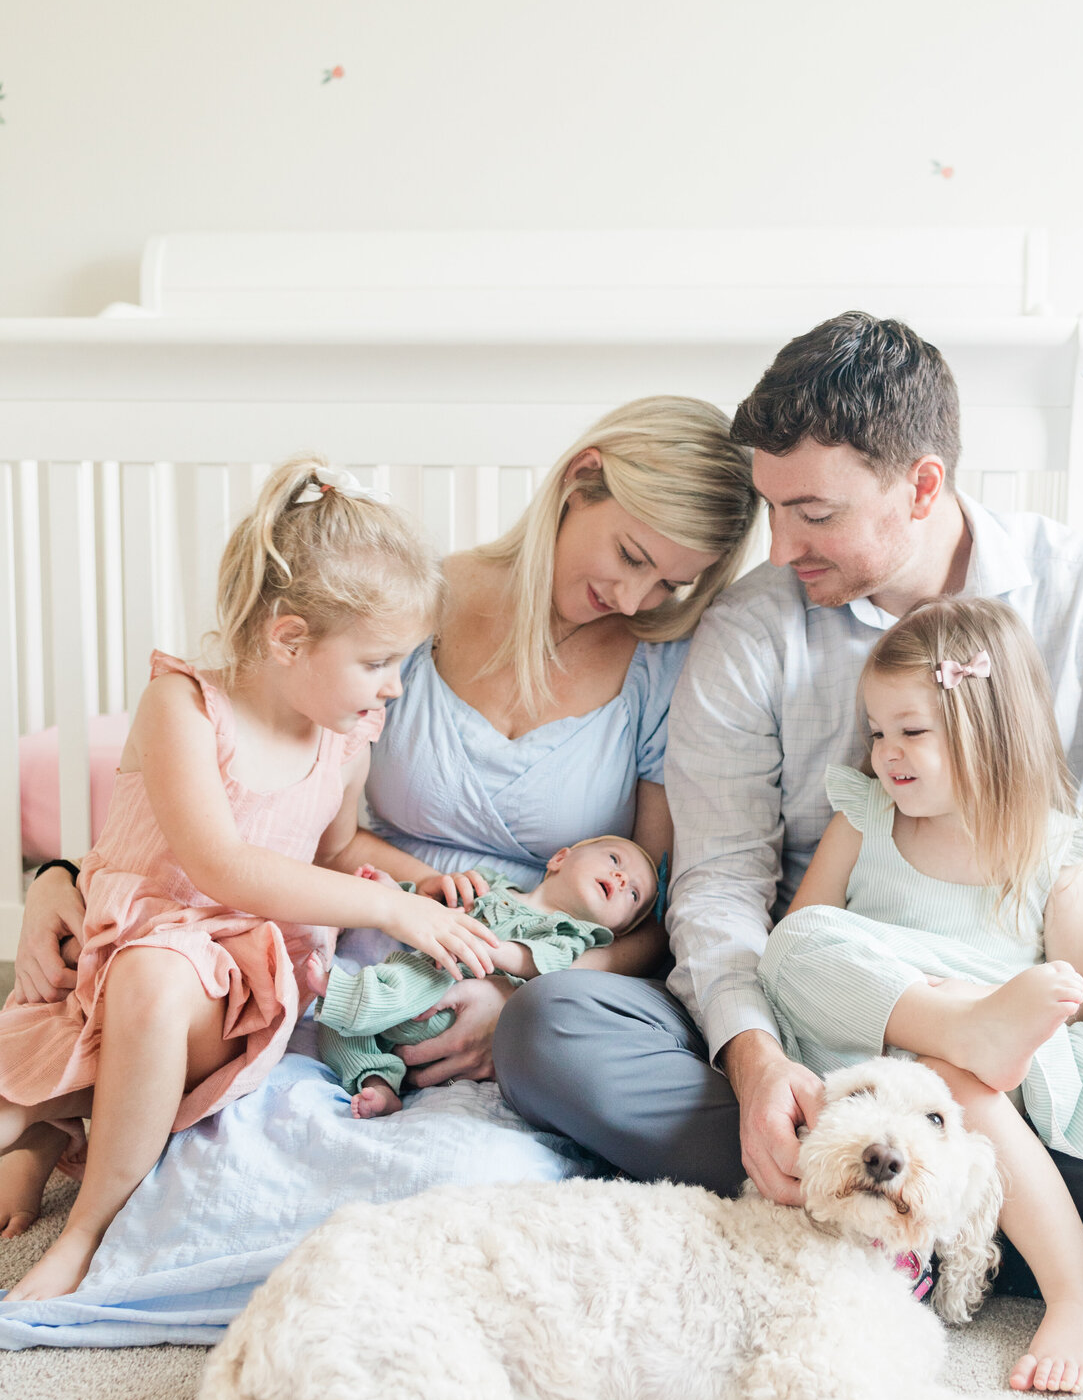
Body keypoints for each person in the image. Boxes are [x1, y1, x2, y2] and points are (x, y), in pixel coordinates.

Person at [495, 312, 1083, 1368]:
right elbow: (725, 881)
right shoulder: (752, 629)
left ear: (921, 487)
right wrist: (752, 1063)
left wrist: (994, 1030)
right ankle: (1040, 1233)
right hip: (810, 1029)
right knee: (550, 1031)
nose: (780, 548)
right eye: (772, 509)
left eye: (812, 513)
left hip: (999, 1040)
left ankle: (890, 1206)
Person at [5, 397, 758, 1332]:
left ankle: (58, 1125)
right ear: (581, 478)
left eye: (673, 586)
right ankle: (70, 1145)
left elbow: (650, 910)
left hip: (524, 986)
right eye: (634, 558)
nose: (640, 600)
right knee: (221, 1145)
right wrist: (63, 877)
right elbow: (243, 798)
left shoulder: (660, 668)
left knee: (473, 1198)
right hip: (340, 956)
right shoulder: (402, 608)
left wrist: (524, 996)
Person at [0, 459, 501, 1299]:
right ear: (288, 638)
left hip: (225, 983)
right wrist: (388, 908)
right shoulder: (185, 708)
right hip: (117, 949)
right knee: (116, 997)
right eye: (378, 660)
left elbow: (339, 849)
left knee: (158, 986)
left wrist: (427, 888)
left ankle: (88, 1224)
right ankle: (46, 1134)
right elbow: (220, 865)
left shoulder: (346, 737)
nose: (396, 685)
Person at [759, 596, 1083, 1391]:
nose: (888, 753)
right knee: (794, 942)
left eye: (913, 732)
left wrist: (982, 1005)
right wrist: (933, 1000)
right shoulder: (866, 813)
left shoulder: (1049, 844)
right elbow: (802, 943)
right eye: (878, 731)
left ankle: (1081, 1291)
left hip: (986, 1073)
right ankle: (958, 1024)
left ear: (986, 731)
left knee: (955, 1074)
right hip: (869, 1043)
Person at [309, 837, 659, 1116]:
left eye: (633, 894)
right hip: (403, 995)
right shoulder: (490, 887)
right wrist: (394, 893)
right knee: (334, 1027)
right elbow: (430, 912)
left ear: (615, 929)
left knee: (409, 981)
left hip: (447, 1006)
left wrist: (492, 949)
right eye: (614, 860)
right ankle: (378, 1082)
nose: (621, 878)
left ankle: (347, 992)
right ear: (560, 858)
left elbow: (541, 963)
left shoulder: (570, 936)